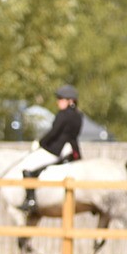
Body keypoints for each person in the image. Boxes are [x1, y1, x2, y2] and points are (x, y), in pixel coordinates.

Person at [18, 85, 83, 213]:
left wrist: (41, 142)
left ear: (70, 100)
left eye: (61, 99)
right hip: (72, 149)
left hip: (58, 148)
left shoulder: (63, 114)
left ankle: (31, 200)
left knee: (28, 166)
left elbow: (54, 132)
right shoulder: (79, 115)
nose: (58, 102)